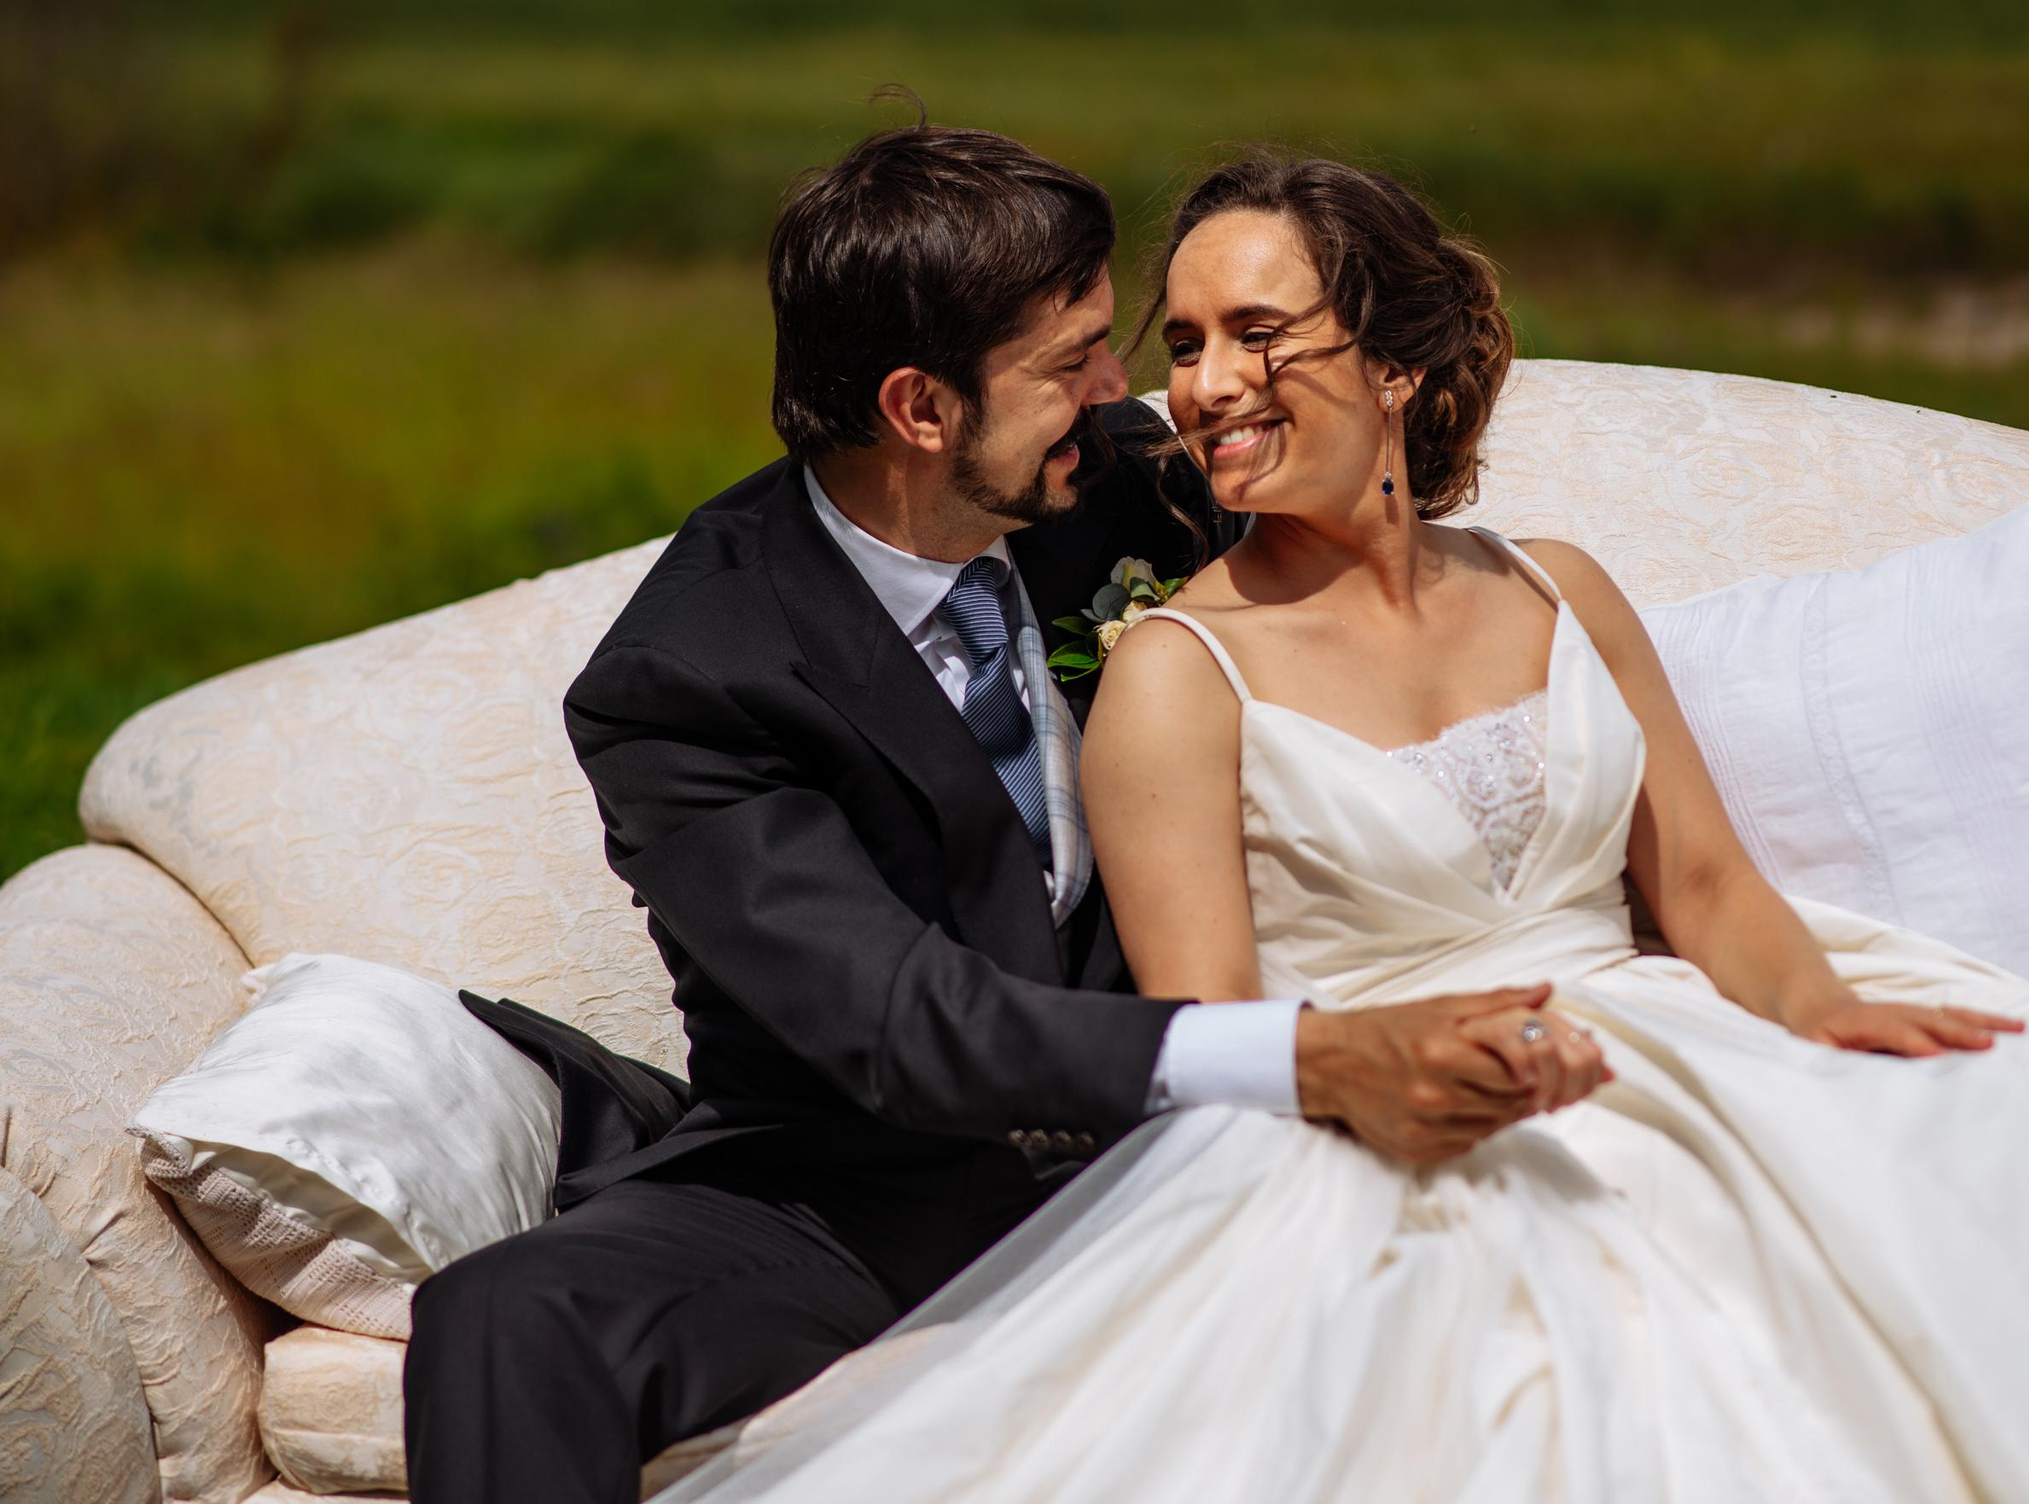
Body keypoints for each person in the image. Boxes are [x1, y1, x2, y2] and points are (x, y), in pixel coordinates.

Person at [654, 156, 2029, 1504]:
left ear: (1392, 363)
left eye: (1259, 334)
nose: (1199, 388)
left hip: (1682, 1040)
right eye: (1174, 341)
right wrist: (1404, 1082)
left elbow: (1707, 885)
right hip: (1376, 1110)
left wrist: (1831, 1020)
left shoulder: (1558, 581)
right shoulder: (1172, 667)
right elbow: (1208, 1023)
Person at [401, 127, 1612, 1504]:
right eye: (1069, 362)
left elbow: (1375, 617)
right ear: (922, 411)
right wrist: (1306, 1057)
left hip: (1186, 1165)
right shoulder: (692, 676)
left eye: (1108, 341)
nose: (1122, 388)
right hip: (858, 1202)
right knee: (501, 1318)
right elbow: (906, 1023)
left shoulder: (1133, 494)